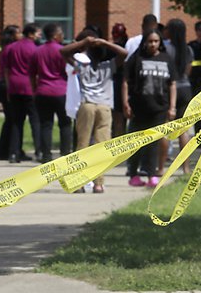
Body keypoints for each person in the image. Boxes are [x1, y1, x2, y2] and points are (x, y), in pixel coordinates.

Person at [60, 29, 127, 193]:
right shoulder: (109, 66)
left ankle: (78, 182)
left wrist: (84, 42)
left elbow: (63, 51)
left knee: (82, 144)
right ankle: (98, 183)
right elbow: (124, 53)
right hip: (104, 107)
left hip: (87, 105)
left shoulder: (82, 66)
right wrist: (105, 42)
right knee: (101, 147)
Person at [123, 28, 177, 188]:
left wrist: (172, 107)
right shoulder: (136, 58)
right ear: (145, 42)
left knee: (155, 143)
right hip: (138, 107)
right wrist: (125, 103)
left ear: (160, 43)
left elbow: (172, 84)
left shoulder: (166, 59)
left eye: (156, 41)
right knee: (136, 141)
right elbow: (125, 81)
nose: (153, 44)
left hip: (160, 107)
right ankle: (133, 173)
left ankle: (152, 174)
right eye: (150, 41)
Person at [29, 22, 72, 163]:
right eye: (61, 33)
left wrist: (35, 89)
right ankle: (65, 153)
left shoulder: (37, 51)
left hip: (43, 91)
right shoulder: (62, 51)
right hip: (61, 90)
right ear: (55, 35)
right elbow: (68, 71)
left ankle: (46, 155)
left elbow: (32, 74)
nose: (62, 36)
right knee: (65, 124)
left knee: (45, 124)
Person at [159, 19, 194, 175]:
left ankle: (160, 168)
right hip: (185, 88)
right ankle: (185, 168)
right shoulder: (188, 50)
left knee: (166, 128)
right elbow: (188, 72)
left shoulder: (165, 48)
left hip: (169, 90)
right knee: (184, 130)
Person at [3, 23, 42, 163]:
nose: (40, 36)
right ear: (31, 34)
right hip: (29, 87)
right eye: (38, 33)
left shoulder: (11, 48)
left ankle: (14, 153)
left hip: (14, 86)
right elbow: (37, 71)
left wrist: (8, 88)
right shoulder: (36, 49)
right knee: (35, 120)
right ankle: (39, 151)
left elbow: (6, 70)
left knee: (16, 121)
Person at [0, 25, 22, 161]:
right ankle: (6, 150)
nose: (21, 35)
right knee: (13, 119)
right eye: (18, 33)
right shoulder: (11, 49)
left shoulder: (6, 49)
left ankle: (7, 149)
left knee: (10, 119)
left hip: (4, 85)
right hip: (8, 85)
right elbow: (7, 71)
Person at [111, 22, 129, 138]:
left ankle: (118, 139)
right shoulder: (128, 45)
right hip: (122, 83)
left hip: (118, 83)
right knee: (120, 119)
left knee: (118, 119)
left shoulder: (115, 48)